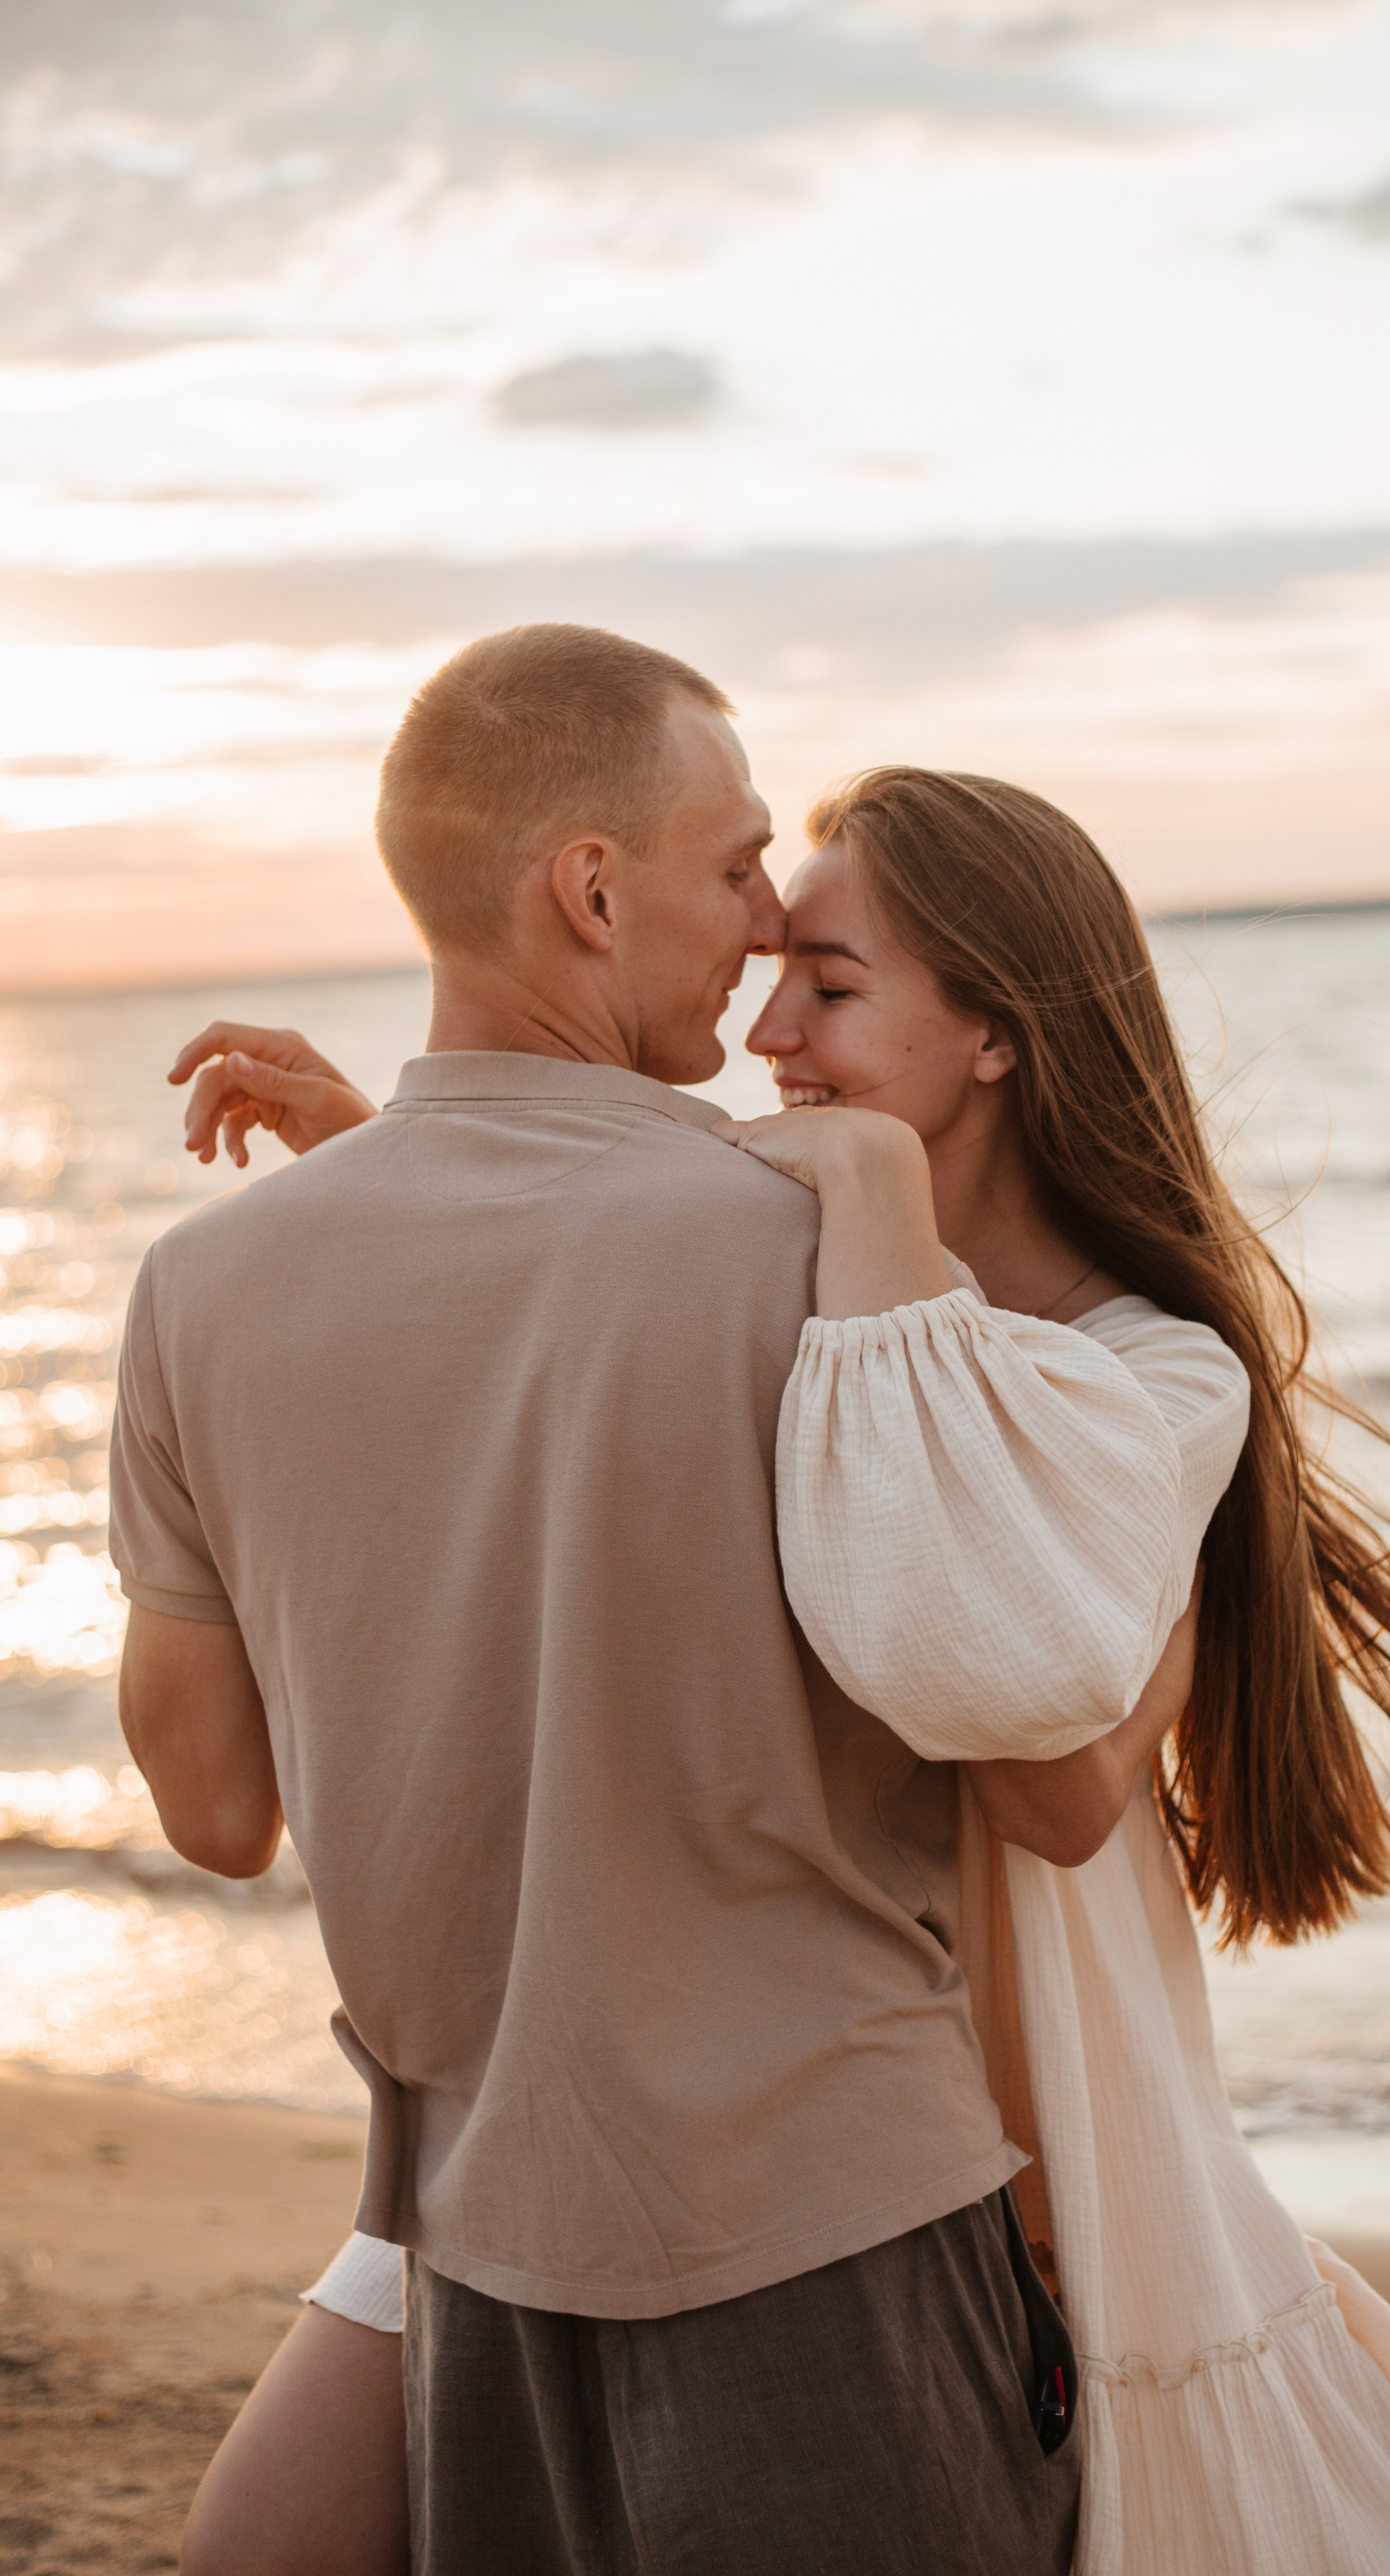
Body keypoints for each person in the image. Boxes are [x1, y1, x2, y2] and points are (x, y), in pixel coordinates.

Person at [154, 748, 1390, 2573]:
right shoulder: (782, 1272)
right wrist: (386, 1159)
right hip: (619, 2045)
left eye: (831, 993)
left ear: (997, 1037)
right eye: (769, 984)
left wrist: (875, 1209)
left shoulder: (1151, 1369)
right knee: (258, 2544)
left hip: (916, 2115)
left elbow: (1051, 1783)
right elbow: (596, 1314)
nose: (771, 1046)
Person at [112, 632, 1085, 2576]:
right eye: (735, 870)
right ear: (589, 887)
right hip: (835, 2242)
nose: (757, 929)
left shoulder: (199, 1298)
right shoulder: (831, 1253)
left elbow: (218, 1817)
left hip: (479, 2265)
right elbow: (1037, 1739)